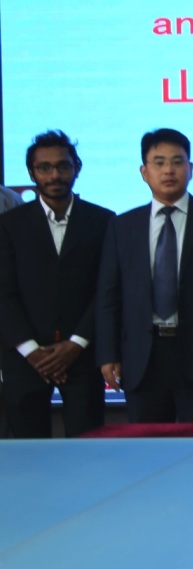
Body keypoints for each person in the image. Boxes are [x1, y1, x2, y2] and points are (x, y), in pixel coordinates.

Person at [96, 129, 193, 423]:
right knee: (148, 444)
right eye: (159, 163)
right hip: (142, 356)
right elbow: (109, 296)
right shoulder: (122, 226)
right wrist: (108, 353)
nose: (168, 170)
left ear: (190, 169)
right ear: (144, 172)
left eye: (177, 162)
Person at [0, 131, 114, 437]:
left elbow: (106, 290)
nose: (55, 175)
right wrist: (32, 352)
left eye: (63, 166)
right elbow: (4, 294)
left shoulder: (104, 221)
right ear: (31, 173)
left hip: (82, 355)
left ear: (77, 168)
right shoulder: (9, 225)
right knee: (27, 451)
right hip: (24, 359)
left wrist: (76, 344)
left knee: (87, 448)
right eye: (44, 167)